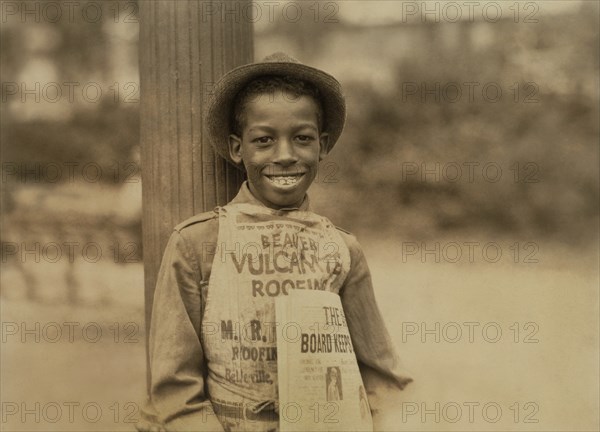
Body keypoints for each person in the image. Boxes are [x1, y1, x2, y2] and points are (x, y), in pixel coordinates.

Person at [137, 52, 412, 432]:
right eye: (264, 140)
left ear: (323, 145)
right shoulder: (196, 243)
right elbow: (175, 389)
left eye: (302, 138)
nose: (285, 156)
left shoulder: (341, 249)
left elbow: (384, 378)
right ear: (238, 148)